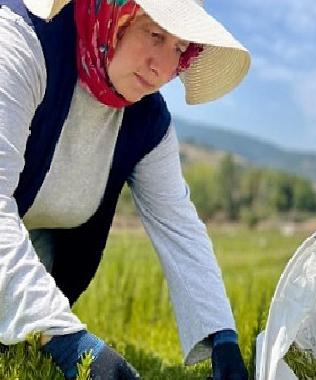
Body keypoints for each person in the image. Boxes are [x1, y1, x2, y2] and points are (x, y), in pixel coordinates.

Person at [0, 0, 250, 378]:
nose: (163, 68)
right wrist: (67, 341)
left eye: (179, 49)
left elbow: (178, 224)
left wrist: (223, 337)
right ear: (114, 15)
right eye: (154, 34)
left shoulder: (146, 120)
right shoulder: (21, 45)